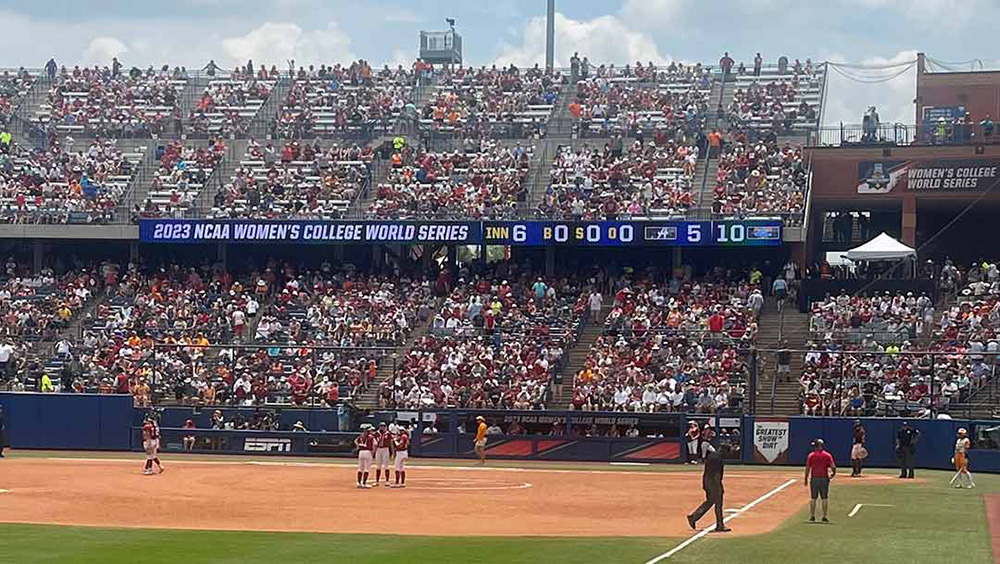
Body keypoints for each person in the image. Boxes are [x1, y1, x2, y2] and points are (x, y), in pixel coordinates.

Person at [686, 443, 730, 533]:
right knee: (718, 502)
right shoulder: (718, 459)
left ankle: (694, 517)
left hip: (706, 481)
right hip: (713, 483)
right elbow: (716, 475)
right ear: (724, 450)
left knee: (710, 501)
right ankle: (720, 525)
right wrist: (719, 487)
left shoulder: (712, 455)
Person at [804, 438, 836, 523]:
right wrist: (833, 474)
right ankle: (824, 517)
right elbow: (833, 467)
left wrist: (806, 478)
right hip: (824, 478)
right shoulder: (827, 455)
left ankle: (812, 516)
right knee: (824, 498)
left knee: (813, 498)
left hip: (814, 478)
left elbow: (807, 468)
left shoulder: (811, 455)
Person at [374, 421, 392, 487]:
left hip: (385, 449)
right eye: (381, 426)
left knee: (386, 465)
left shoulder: (388, 433)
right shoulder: (376, 433)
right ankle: (377, 481)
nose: (382, 428)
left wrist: (392, 452)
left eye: (383, 426)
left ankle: (387, 481)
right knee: (378, 465)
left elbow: (391, 442)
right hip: (379, 449)